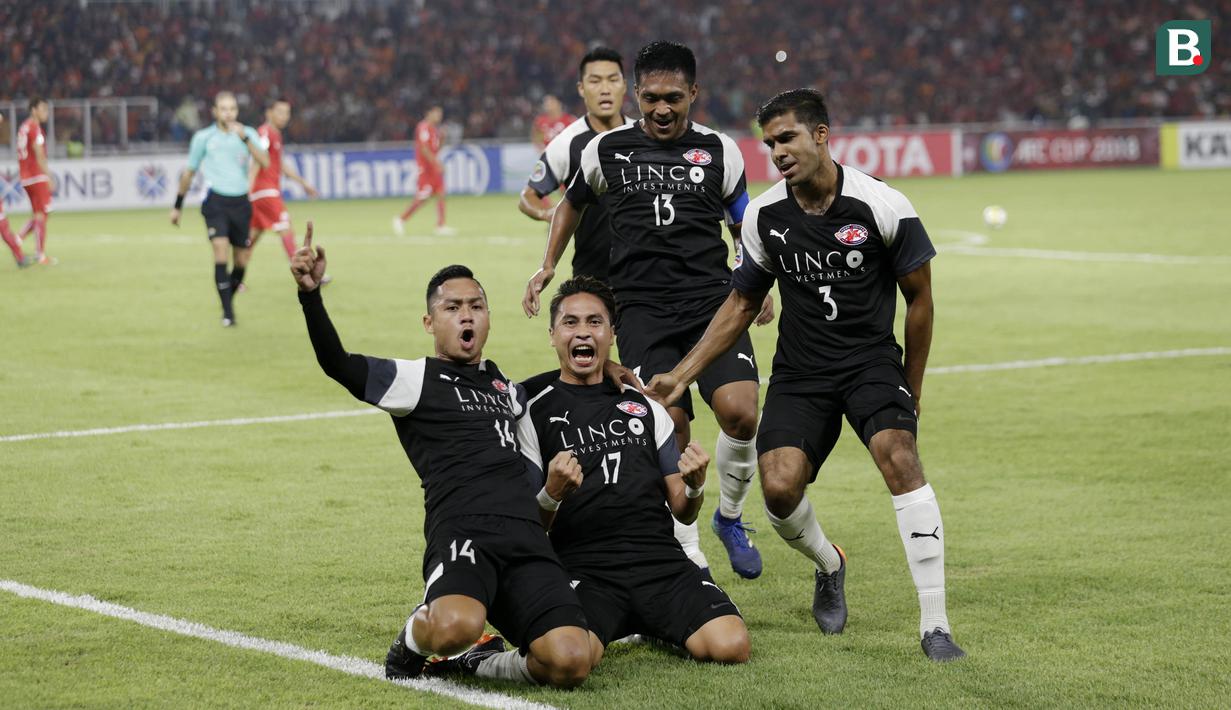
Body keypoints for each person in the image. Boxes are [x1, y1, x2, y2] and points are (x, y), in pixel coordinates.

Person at [646, 88, 965, 662]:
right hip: (800, 375)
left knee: (899, 456)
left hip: (870, 363)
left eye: (787, 137)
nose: (778, 151)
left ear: (821, 134)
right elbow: (742, 303)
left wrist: (912, 389)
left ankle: (935, 625)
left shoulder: (883, 204)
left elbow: (921, 300)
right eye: (770, 143)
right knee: (778, 488)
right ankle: (829, 563)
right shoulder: (766, 216)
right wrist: (682, 373)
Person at [289, 230, 598, 687]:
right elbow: (339, 363)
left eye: (475, 306)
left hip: (526, 540)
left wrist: (606, 366)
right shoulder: (416, 379)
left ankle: (480, 662)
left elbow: (559, 381)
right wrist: (311, 296)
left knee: (572, 661)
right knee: (455, 628)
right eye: (452, 308)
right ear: (429, 323)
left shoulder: (509, 390)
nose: (465, 316)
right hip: (463, 533)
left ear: (489, 317)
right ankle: (412, 642)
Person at [522, 41, 774, 581]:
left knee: (741, 412)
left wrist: (757, 275)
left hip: (712, 302)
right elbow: (570, 204)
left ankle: (729, 518)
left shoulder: (721, 150)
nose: (662, 109)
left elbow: (741, 218)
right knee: (669, 423)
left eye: (675, 99)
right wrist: (547, 264)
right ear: (638, 95)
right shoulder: (606, 149)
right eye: (652, 98)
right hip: (640, 308)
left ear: (694, 95)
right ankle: (685, 548)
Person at [425, 276, 750, 680]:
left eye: (595, 322)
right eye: (570, 323)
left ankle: (654, 622)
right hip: (585, 572)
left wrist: (696, 483)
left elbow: (682, 513)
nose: (583, 332)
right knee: (572, 661)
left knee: (731, 646)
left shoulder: (644, 408)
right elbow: (532, 524)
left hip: (661, 565)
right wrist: (552, 494)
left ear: (612, 333)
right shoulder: (529, 407)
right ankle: (480, 660)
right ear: (552, 335)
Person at [519, 47, 631, 282]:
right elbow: (527, 196)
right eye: (595, 81)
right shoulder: (567, 144)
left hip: (644, 276)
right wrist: (546, 213)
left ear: (624, 85)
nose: (604, 89)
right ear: (581, 88)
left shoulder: (644, 136)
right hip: (592, 276)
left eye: (612, 79)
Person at [170, 91, 270, 327]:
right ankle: (228, 313)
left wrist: (245, 138)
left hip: (241, 203)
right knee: (220, 250)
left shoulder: (248, 134)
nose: (229, 113)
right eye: (223, 108)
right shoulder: (204, 138)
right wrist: (177, 206)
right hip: (215, 201)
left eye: (232, 109)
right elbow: (189, 173)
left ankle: (227, 299)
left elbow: (265, 162)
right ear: (215, 112)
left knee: (242, 260)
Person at [248, 98, 327, 283]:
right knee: (285, 228)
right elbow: (257, 159)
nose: (284, 116)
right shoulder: (265, 133)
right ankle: (305, 274)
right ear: (269, 113)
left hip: (262, 193)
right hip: (265, 192)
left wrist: (303, 183)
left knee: (253, 237)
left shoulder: (275, 134)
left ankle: (236, 275)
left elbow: (280, 165)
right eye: (280, 112)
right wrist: (248, 188)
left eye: (287, 113)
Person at [392, 105, 454, 237]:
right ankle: (400, 219)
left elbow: (436, 150)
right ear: (429, 113)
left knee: (441, 193)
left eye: (440, 114)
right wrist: (437, 163)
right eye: (437, 113)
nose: (439, 116)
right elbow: (424, 149)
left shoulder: (434, 130)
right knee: (423, 198)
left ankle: (441, 225)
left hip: (433, 169)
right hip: (426, 169)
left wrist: (442, 139)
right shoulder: (423, 128)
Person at [16, 98, 56, 265]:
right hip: (37, 176)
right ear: (33, 110)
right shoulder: (35, 128)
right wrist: (49, 176)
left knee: (38, 214)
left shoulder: (24, 127)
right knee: (43, 214)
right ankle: (40, 255)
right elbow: (39, 154)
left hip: (25, 177)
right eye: (42, 109)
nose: (45, 113)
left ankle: (17, 239)